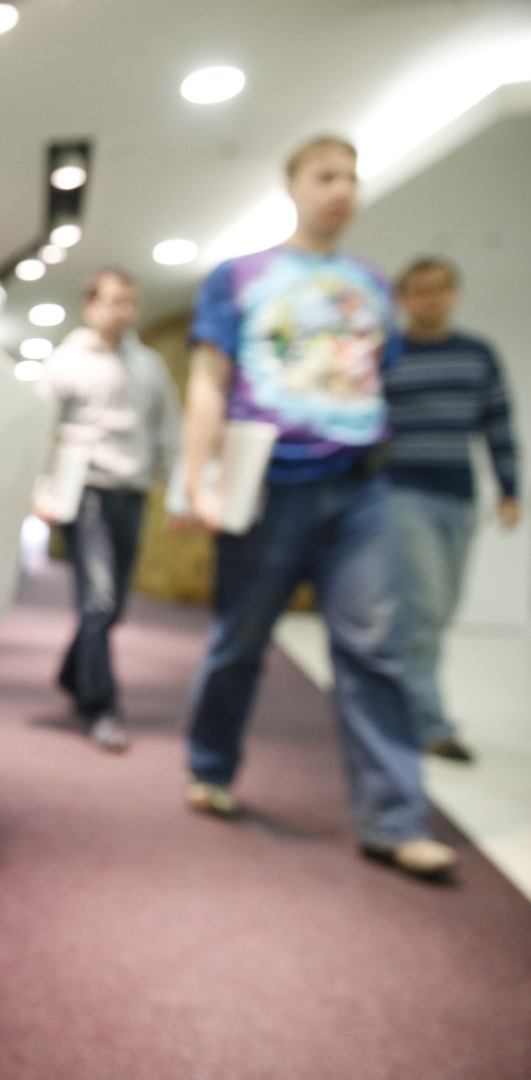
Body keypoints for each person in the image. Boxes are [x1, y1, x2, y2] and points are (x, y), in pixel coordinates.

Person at [177, 135, 456, 880]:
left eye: (351, 178)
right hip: (270, 484)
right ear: (294, 187)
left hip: (362, 488)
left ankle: (395, 821)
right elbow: (208, 380)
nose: (340, 189)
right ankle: (210, 766)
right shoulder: (240, 277)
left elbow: (373, 375)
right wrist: (197, 482)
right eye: (325, 175)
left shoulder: (371, 285)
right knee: (240, 640)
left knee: (375, 651)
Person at [34, 268, 180, 752]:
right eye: (115, 301)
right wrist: (40, 490)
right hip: (86, 492)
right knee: (97, 600)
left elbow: (168, 432)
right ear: (91, 306)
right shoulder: (66, 362)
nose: (124, 312)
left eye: (130, 302)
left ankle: (72, 673)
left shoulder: (149, 366)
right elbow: (39, 429)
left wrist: (178, 491)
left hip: (132, 492)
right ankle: (100, 707)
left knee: (112, 607)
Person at [385, 257, 520, 763]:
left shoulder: (477, 355)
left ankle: (398, 698)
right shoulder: (387, 354)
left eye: (439, 288)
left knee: (441, 610)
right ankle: (429, 724)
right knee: (425, 606)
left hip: (458, 496)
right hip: (401, 492)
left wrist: (509, 489)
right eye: (419, 290)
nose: (430, 298)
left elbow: (498, 423)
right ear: (404, 299)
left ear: (454, 293)